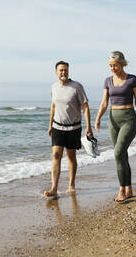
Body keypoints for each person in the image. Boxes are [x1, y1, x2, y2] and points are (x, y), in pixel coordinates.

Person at [94, 51, 136, 202]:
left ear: (123, 63)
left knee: (118, 153)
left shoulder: (132, 79)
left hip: (129, 119)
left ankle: (121, 190)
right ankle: (129, 188)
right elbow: (104, 102)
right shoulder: (107, 81)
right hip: (113, 121)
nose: (113, 68)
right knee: (122, 155)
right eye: (110, 66)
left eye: (115, 65)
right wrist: (98, 118)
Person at [45, 60, 93, 197]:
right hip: (57, 127)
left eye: (65, 70)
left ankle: (71, 185)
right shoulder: (54, 87)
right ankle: (54, 188)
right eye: (61, 70)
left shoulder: (77, 87)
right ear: (56, 72)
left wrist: (89, 126)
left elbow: (85, 107)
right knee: (56, 155)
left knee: (71, 156)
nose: (63, 72)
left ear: (68, 71)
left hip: (73, 127)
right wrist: (49, 125)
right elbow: (53, 106)